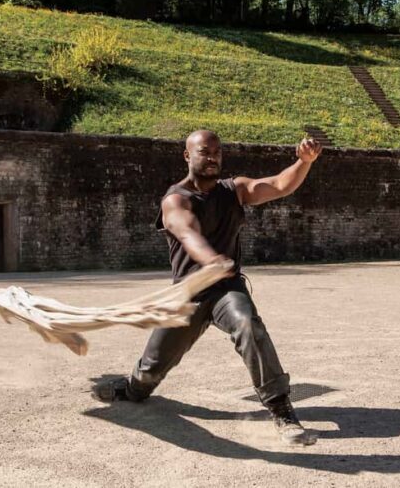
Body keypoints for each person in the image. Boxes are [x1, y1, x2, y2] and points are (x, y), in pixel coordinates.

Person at [92, 129, 323, 446]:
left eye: (217, 151)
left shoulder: (235, 190)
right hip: (187, 296)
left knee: (248, 325)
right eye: (204, 151)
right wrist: (212, 259)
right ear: (188, 155)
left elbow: (280, 184)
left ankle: (281, 409)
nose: (212, 156)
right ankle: (130, 388)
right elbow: (188, 234)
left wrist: (304, 162)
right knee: (149, 371)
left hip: (227, 291)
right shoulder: (175, 200)